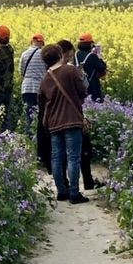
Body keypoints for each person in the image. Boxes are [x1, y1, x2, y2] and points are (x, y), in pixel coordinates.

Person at [38, 43, 89, 203]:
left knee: (56, 158)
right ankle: (74, 193)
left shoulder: (46, 77)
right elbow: (82, 91)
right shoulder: (70, 70)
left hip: (54, 122)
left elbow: (41, 101)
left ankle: (61, 192)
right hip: (72, 119)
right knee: (73, 157)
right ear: (60, 54)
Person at [75, 36, 106, 191]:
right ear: (91, 44)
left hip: (78, 93)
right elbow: (102, 68)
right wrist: (99, 56)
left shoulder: (74, 55)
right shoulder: (92, 56)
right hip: (92, 90)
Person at [18, 33, 48, 143]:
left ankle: (29, 138)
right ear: (41, 43)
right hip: (39, 87)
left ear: (32, 42)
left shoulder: (24, 54)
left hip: (26, 87)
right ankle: (39, 138)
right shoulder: (43, 54)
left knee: (29, 113)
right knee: (41, 114)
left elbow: (21, 71)